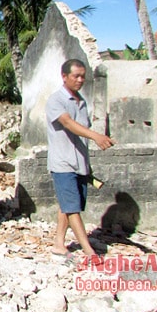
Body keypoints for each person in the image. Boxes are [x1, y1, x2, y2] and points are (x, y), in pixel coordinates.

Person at [46, 58, 115, 261]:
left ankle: (59, 244)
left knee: (68, 205)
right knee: (73, 208)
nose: (80, 80)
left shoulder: (82, 101)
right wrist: (96, 136)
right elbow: (68, 123)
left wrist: (88, 166)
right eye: (76, 76)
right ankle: (89, 252)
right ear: (64, 76)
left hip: (80, 164)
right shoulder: (55, 100)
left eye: (83, 76)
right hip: (63, 163)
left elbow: (80, 135)